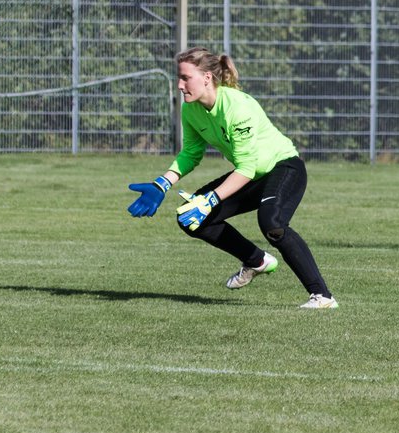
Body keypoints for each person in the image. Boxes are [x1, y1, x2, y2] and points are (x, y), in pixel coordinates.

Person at [126, 47, 337, 309]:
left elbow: (247, 168)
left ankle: (323, 297)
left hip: (284, 168)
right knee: (189, 218)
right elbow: (192, 153)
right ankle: (256, 261)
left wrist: (210, 199)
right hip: (251, 175)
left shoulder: (237, 106)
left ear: (206, 78)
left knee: (272, 223)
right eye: (179, 78)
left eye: (185, 78)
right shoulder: (190, 110)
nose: (180, 85)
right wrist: (162, 183)